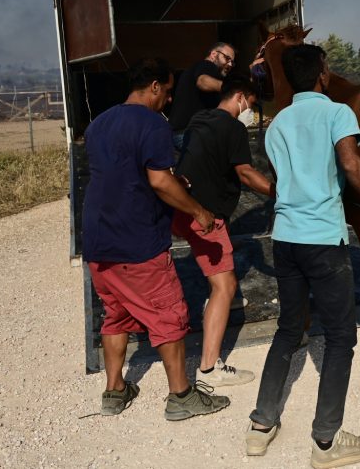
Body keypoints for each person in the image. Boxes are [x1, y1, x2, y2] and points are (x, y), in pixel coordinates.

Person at [245, 44, 360, 468]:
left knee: (287, 330)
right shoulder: (338, 113)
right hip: (322, 240)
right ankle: (326, 442)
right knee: (340, 337)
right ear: (323, 74)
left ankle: (261, 426)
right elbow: (351, 166)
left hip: (285, 238)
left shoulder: (276, 124)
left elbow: (283, 179)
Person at [81, 58, 229, 421]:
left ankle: (114, 391)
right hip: (136, 239)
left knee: (115, 315)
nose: (169, 99)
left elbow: (123, 175)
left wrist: (174, 184)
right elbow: (159, 182)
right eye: (168, 91)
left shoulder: (99, 123)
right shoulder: (152, 123)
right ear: (154, 87)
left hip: (98, 239)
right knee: (169, 314)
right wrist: (198, 211)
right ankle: (181, 395)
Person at [171, 75, 275, 390]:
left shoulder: (199, 118)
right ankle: (209, 367)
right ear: (241, 96)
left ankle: (218, 307)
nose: (250, 113)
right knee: (225, 286)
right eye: (251, 106)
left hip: (182, 208)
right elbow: (245, 173)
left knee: (221, 281)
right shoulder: (232, 128)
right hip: (205, 216)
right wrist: (280, 192)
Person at [169, 42, 237, 149]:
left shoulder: (195, 68)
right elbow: (203, 82)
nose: (229, 64)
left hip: (182, 134)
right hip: (189, 134)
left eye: (232, 62)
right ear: (214, 54)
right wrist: (232, 89)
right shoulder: (207, 65)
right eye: (227, 58)